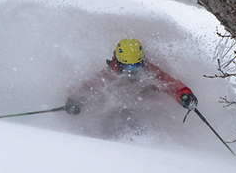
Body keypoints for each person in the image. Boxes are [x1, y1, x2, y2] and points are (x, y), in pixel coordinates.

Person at [64, 38, 198, 136]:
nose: (132, 72)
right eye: (128, 67)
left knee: (140, 125)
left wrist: (184, 96)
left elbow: (170, 85)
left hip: (143, 111)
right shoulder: (109, 75)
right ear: (119, 63)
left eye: (136, 66)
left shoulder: (150, 71)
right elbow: (89, 88)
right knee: (116, 122)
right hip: (114, 114)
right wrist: (75, 101)